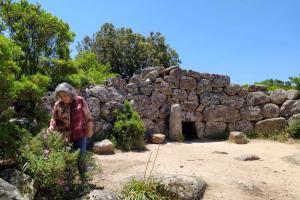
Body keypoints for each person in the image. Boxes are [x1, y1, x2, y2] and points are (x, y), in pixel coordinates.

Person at [48, 82, 93, 176]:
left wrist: (90, 127)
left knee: (81, 155)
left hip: (80, 134)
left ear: (70, 92)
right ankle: (68, 180)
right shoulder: (58, 104)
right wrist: (51, 127)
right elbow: (53, 118)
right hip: (64, 136)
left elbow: (87, 115)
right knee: (66, 157)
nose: (63, 98)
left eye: (65, 95)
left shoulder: (79, 100)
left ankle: (84, 178)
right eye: (60, 96)